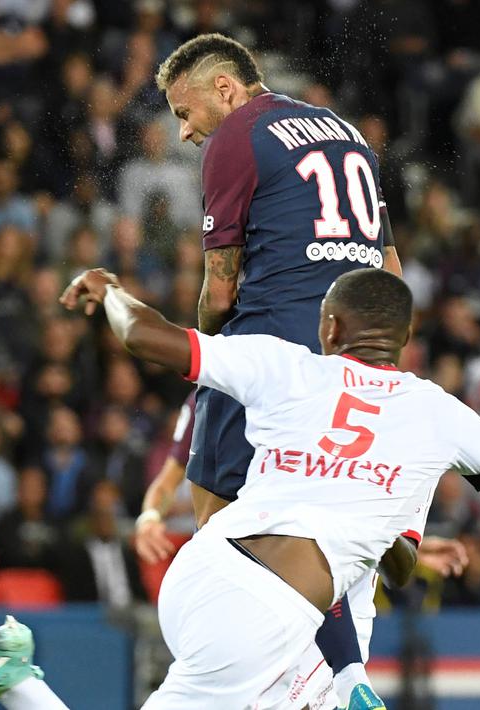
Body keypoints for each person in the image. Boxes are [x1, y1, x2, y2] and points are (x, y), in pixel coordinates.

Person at [0, 268, 480, 710]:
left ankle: (12, 675)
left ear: (330, 327)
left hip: (205, 567)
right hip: (270, 614)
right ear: (403, 340)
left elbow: (145, 338)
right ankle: (12, 674)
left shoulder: (285, 364)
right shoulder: (444, 419)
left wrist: (111, 289)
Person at [155, 32, 406, 706]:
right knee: (328, 520)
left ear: (225, 90)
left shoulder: (236, 135)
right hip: (355, 359)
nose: (184, 133)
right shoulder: (344, 130)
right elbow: (390, 272)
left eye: (184, 112)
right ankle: (341, 675)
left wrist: (208, 357)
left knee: (215, 506)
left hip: (273, 346)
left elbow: (220, 287)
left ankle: (287, 677)